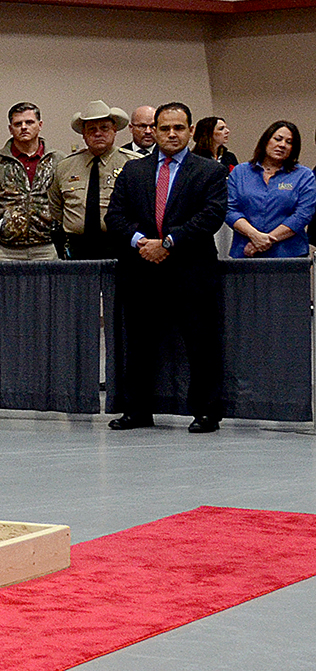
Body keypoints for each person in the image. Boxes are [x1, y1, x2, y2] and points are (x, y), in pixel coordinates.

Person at [107, 103, 229, 433]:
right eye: (164, 128)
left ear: (191, 131)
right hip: (142, 271)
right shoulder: (133, 171)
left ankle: (206, 412)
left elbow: (211, 216)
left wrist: (169, 243)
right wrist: (141, 242)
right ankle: (137, 411)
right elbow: (114, 217)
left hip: (191, 272)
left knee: (200, 344)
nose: (171, 134)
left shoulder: (210, 171)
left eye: (178, 128)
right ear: (154, 131)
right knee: (139, 345)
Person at [0, 102, 59, 260]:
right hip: (5, 251)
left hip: (48, 248)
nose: (24, 127)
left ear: (40, 125)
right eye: (18, 124)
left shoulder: (58, 161)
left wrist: (62, 243)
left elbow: (67, 203)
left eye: (29, 122)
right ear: (10, 129)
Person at [51, 102, 132, 261]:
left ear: (114, 130)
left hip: (119, 245)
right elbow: (56, 207)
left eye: (104, 128)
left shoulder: (132, 164)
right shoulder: (65, 167)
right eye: (92, 129)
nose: (98, 133)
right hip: (77, 248)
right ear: (83, 134)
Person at [227, 121, 316, 259]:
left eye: (289, 142)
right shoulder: (240, 172)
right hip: (245, 251)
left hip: (289, 254)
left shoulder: (304, 175)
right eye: (278, 139)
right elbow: (230, 210)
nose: (282, 145)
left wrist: (265, 240)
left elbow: (303, 215)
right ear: (266, 141)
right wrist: (255, 236)